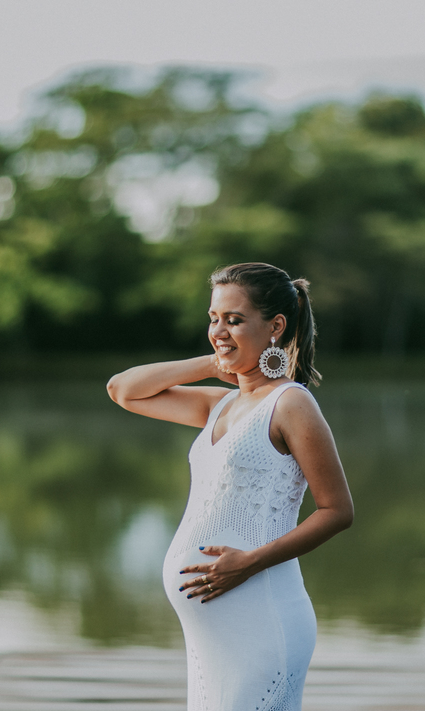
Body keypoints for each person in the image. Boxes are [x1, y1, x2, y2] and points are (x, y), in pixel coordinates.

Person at [106, 262, 354, 711]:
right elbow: (122, 389)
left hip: (260, 616)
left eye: (234, 320)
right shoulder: (221, 404)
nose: (219, 330)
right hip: (212, 634)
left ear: (275, 326)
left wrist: (249, 563)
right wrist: (213, 361)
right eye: (213, 319)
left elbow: (337, 511)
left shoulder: (290, 404)